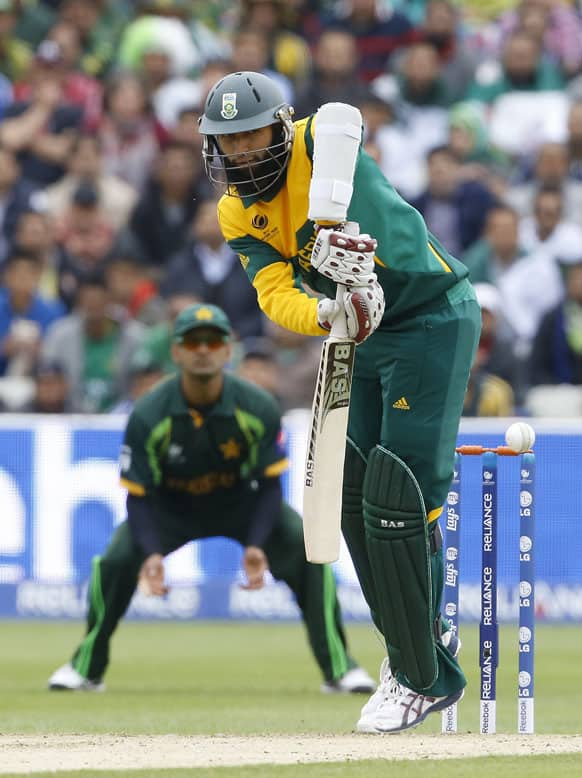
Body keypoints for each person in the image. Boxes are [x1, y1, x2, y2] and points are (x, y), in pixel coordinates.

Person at [199, 71, 481, 734]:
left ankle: (421, 677)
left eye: (251, 135)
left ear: (279, 126)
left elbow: (342, 111)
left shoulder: (320, 139)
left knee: (398, 497)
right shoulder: (238, 211)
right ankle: (420, 637)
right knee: (354, 494)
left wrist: (331, 226)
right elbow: (273, 293)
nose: (241, 152)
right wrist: (330, 307)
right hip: (362, 333)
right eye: (227, 141)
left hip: (431, 317)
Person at [48, 302, 374, 695]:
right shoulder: (150, 412)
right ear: (176, 351)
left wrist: (256, 545)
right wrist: (151, 553)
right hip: (169, 509)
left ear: (227, 349)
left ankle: (339, 669)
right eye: (193, 341)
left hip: (243, 505)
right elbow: (139, 495)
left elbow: (270, 486)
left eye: (213, 340)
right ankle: (87, 669)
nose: (203, 349)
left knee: (312, 559)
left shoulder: (256, 406)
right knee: (114, 562)